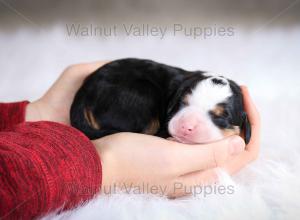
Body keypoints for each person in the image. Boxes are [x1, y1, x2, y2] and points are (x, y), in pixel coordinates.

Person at [0, 61, 260, 219]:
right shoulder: (173, 86)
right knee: (142, 99)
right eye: (184, 105)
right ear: (181, 94)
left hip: (104, 98)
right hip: (115, 92)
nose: (189, 125)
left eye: (217, 118)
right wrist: (108, 164)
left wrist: (40, 114)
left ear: (242, 125)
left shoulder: (189, 86)